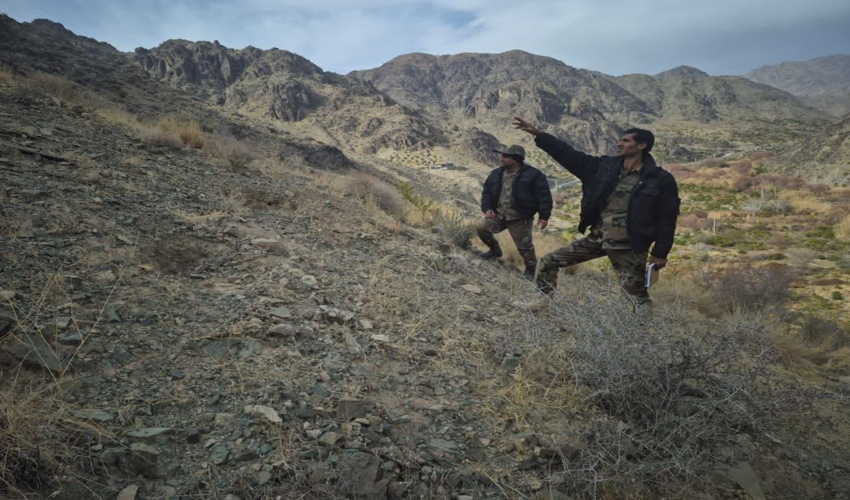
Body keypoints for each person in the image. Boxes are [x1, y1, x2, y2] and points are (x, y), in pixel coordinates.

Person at [513, 117, 680, 306]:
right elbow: (569, 155)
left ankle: (641, 332)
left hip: (629, 245)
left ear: (642, 145)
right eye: (620, 140)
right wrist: (539, 135)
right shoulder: (604, 167)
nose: (619, 143)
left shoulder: (660, 180)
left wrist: (660, 253)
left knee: (636, 297)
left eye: (626, 141)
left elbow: (667, 219)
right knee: (548, 261)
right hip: (598, 238)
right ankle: (542, 302)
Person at [476, 144, 553, 280]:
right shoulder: (496, 174)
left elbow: (544, 196)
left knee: (525, 247)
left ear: (516, 159)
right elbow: (487, 193)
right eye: (502, 156)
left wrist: (544, 216)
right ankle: (495, 250)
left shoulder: (534, 175)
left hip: (520, 218)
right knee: (481, 228)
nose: (502, 158)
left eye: (505, 156)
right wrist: (487, 209)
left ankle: (530, 269)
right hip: (499, 215)